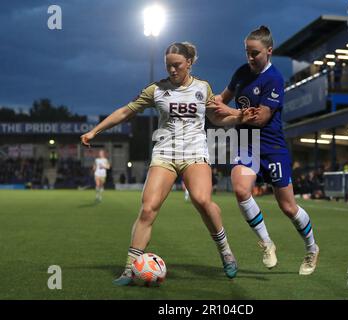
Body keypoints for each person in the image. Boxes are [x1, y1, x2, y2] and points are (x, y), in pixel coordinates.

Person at [81, 42, 239, 285]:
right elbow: (126, 112)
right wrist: (95, 131)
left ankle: (226, 252)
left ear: (189, 63)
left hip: (194, 152)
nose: (172, 70)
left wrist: (238, 116)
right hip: (164, 153)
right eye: (168, 66)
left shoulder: (202, 88)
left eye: (177, 65)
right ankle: (130, 269)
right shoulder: (156, 89)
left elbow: (215, 117)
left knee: (202, 200)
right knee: (148, 208)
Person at [207, 26, 319, 275]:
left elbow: (260, 119)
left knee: (288, 207)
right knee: (240, 189)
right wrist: (210, 100)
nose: (249, 58)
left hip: (273, 147)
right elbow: (221, 100)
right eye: (247, 52)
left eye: (255, 53)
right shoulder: (241, 73)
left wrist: (232, 112)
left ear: (269, 51)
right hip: (247, 144)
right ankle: (267, 243)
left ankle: (312, 249)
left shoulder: (275, 79)